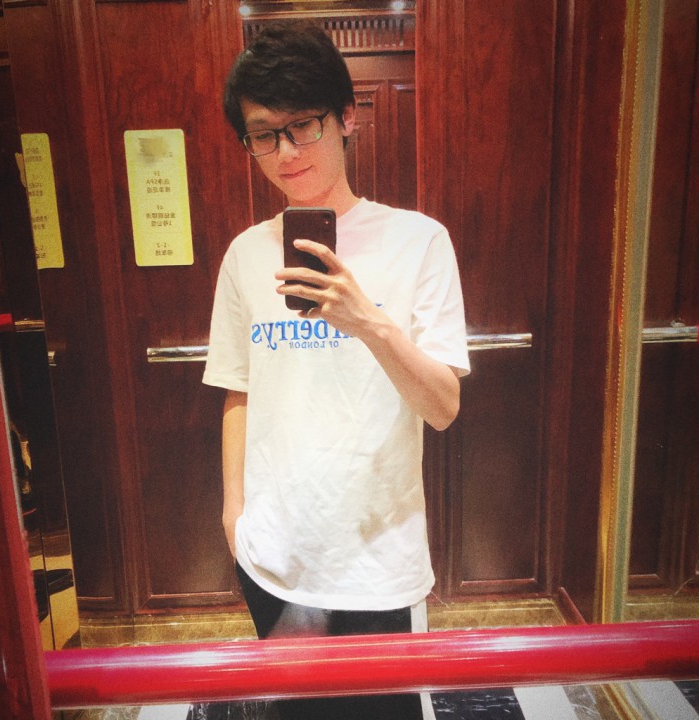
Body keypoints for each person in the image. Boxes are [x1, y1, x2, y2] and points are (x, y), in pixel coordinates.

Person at [203, 21, 470, 720]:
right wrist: (234, 518)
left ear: (347, 117)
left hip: (377, 564)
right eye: (264, 134)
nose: (286, 152)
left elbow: (443, 407)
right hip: (273, 558)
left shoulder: (419, 242)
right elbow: (238, 389)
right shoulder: (245, 255)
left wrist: (367, 321)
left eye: (303, 125)